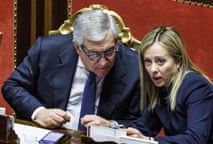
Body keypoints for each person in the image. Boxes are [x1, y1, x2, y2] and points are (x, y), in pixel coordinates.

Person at [1, 9, 141, 131]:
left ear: (117, 42)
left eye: (109, 52)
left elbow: (142, 124)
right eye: (93, 54)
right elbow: (12, 86)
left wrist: (111, 126)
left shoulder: (134, 66)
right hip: (52, 135)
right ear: (77, 47)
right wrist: (39, 112)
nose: (103, 62)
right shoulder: (47, 50)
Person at [125, 26, 213, 143]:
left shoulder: (197, 87)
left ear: (178, 61)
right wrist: (110, 127)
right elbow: (141, 129)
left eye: (160, 61)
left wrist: (150, 140)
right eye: (148, 62)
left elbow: (195, 139)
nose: (153, 69)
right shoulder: (161, 88)